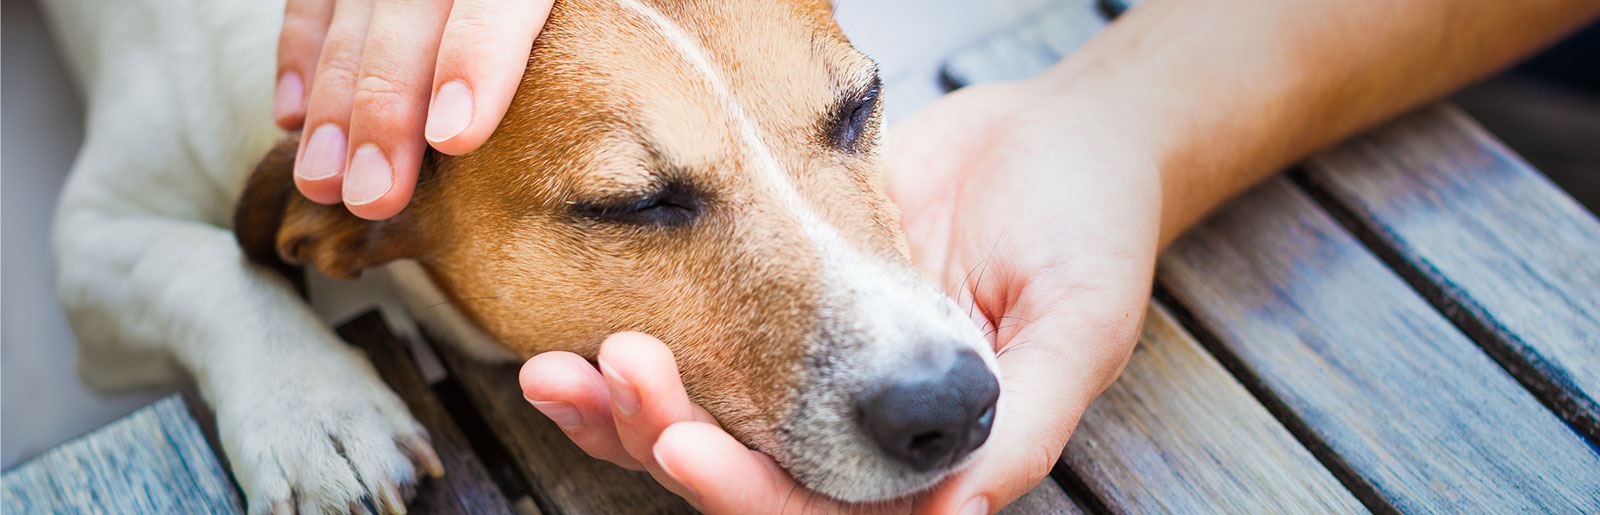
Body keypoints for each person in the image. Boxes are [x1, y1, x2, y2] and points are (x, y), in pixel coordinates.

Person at [271, 0, 1600, 512]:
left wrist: (1119, 120)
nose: (933, 366)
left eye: (849, 113)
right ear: (347, 227)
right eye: (640, 203)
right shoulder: (312, 161)